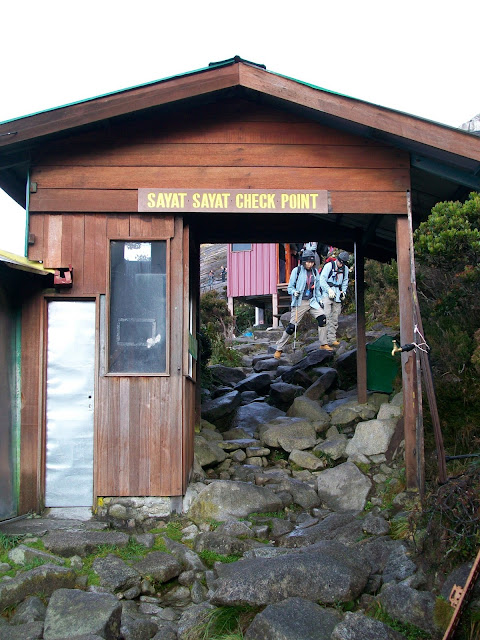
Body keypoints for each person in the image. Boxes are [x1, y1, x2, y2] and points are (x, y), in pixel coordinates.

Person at [274, 250, 326, 358]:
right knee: (292, 327)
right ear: (304, 262)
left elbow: (317, 289)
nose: (310, 264)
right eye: (308, 262)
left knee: (322, 319)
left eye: (312, 262)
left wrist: (320, 300)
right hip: (300, 301)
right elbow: (290, 287)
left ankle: (323, 343)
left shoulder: (315, 272)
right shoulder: (296, 271)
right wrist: (294, 292)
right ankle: (279, 348)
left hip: (312, 301)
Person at [318, 250, 350, 348]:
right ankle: (324, 341)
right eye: (340, 262)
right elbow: (322, 280)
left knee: (335, 318)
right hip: (327, 294)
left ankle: (332, 339)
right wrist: (328, 290)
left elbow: (345, 281)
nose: (341, 265)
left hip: (337, 295)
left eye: (343, 263)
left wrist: (343, 292)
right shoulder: (329, 266)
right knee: (326, 317)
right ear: (338, 260)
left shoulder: (345, 269)